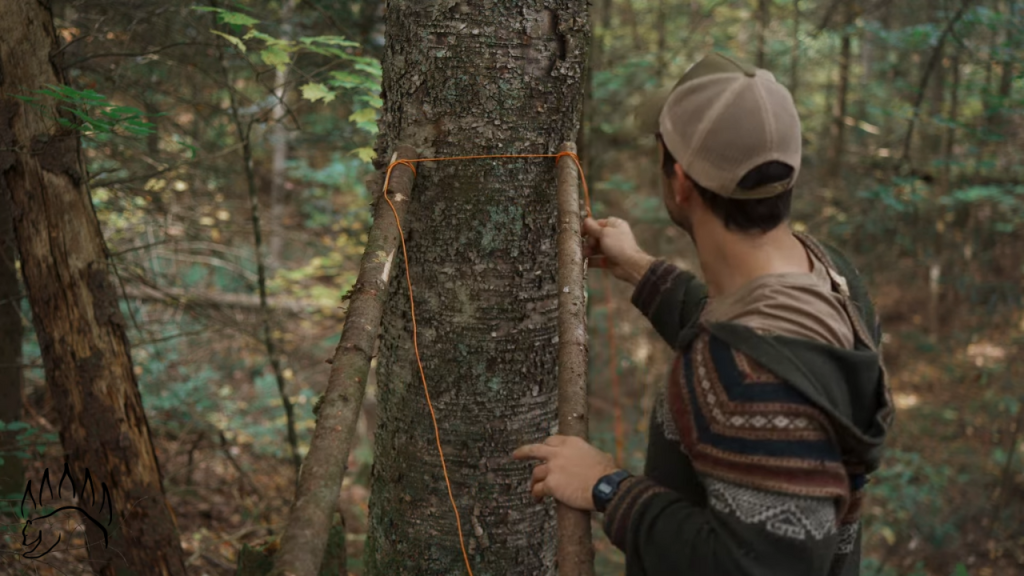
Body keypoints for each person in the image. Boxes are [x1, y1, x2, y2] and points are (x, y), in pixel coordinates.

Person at [513, 52, 894, 575]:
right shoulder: (831, 277)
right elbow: (748, 328)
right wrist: (642, 272)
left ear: (682, 181)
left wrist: (607, 485)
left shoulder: (747, 375)